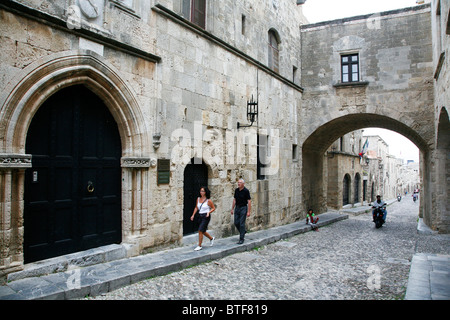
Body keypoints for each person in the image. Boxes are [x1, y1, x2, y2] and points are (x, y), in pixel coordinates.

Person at [190, 186, 215, 251]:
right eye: (201, 191)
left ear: (205, 192)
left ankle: (199, 245)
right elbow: (196, 207)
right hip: (200, 216)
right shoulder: (198, 199)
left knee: (200, 230)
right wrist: (193, 215)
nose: (201, 192)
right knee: (202, 231)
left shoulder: (208, 200)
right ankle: (211, 238)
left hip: (206, 216)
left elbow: (213, 208)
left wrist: (209, 212)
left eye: (203, 191)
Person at [231, 179, 251, 244]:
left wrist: (248, 211)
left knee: (241, 223)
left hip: (243, 208)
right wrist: (232, 208)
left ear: (243, 184)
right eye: (238, 182)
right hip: (237, 208)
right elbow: (234, 199)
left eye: (240, 182)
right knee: (236, 222)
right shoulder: (236, 190)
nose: (238, 183)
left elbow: (249, 201)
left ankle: (241, 239)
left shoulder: (246, 191)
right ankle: (243, 231)